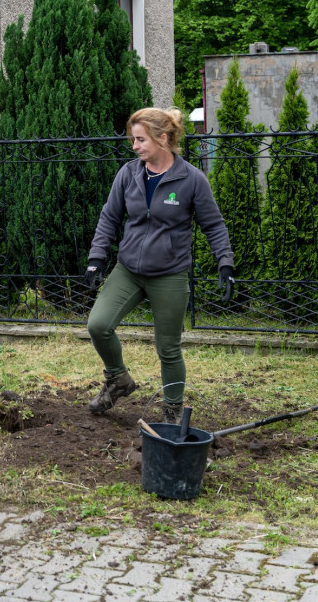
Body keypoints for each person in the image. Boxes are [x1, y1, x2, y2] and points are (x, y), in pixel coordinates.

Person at [84, 107, 235, 423]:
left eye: (140, 140)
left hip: (169, 273)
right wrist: (97, 259)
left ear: (163, 138)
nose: (135, 146)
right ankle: (118, 379)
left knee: (168, 348)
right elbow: (110, 217)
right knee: (98, 324)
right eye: (134, 140)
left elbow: (214, 225)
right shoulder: (129, 174)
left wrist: (225, 262)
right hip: (129, 270)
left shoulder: (191, 179)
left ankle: (171, 411)